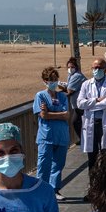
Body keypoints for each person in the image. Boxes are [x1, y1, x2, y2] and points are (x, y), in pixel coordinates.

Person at [77, 57, 106, 174]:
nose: (96, 70)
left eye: (99, 68)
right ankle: (93, 188)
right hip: (91, 123)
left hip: (105, 123)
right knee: (92, 158)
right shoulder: (86, 84)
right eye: (94, 68)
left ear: (105, 69)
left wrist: (89, 105)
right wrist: (96, 100)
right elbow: (79, 103)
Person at [34, 66, 71, 201]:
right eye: (50, 80)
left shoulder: (62, 96)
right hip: (46, 136)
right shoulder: (40, 96)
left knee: (58, 164)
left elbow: (67, 115)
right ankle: (40, 191)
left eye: (55, 80)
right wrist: (57, 114)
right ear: (45, 81)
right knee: (43, 164)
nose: (53, 82)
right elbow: (43, 115)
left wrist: (50, 112)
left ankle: (54, 190)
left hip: (61, 136)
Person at [61, 57, 86, 143]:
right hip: (77, 104)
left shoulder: (77, 76)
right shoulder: (71, 75)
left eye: (72, 67)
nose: (70, 69)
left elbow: (69, 91)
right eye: (68, 67)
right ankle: (83, 139)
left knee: (76, 122)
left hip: (82, 104)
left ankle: (84, 140)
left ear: (76, 67)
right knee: (78, 122)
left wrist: (61, 93)